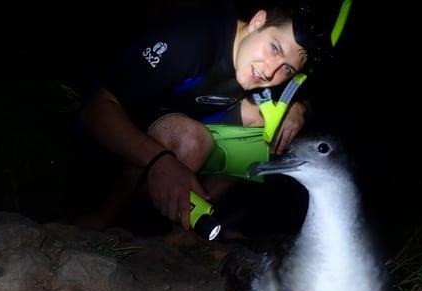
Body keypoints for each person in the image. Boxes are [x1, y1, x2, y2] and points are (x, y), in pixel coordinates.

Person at [73, 0, 352, 233]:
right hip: (118, 130)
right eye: (274, 48)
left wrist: (298, 108)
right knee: (192, 140)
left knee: (266, 129)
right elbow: (96, 108)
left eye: (287, 69)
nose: (269, 72)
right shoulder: (191, 40)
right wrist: (159, 160)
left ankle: (180, 232)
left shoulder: (263, 72)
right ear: (257, 21)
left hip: (181, 125)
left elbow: (300, 97)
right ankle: (104, 217)